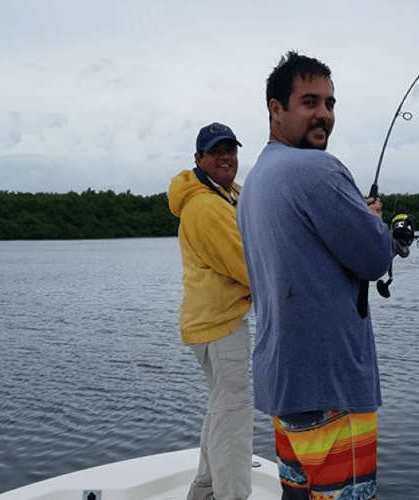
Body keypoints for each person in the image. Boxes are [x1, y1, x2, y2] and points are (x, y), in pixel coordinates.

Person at [237, 51, 398, 499]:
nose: (323, 114)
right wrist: (381, 229)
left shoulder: (255, 183)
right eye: (309, 102)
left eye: (329, 103)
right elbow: (373, 258)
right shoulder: (317, 168)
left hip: (283, 384)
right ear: (276, 109)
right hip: (332, 386)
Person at [168, 122, 253, 500]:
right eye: (216, 151)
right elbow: (248, 266)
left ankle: (204, 491)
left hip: (213, 324)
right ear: (199, 159)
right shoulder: (205, 206)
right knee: (233, 414)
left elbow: (261, 221)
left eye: (231, 150)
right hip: (220, 326)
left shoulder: (225, 193)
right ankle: (231, 496)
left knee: (222, 406)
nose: (226, 157)